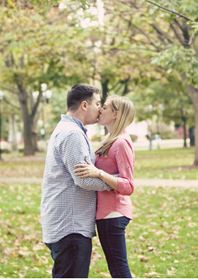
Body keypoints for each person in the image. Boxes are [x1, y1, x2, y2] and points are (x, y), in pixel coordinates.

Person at [40, 83, 113, 278]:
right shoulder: (72, 134)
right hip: (70, 227)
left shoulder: (67, 129)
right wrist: (116, 183)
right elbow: (84, 180)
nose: (100, 108)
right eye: (98, 103)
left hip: (66, 224)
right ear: (84, 105)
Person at [74, 95, 136, 278]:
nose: (100, 110)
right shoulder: (111, 139)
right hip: (106, 215)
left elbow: (128, 186)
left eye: (105, 107)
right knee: (117, 269)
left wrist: (99, 173)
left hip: (113, 214)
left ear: (116, 114)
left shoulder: (121, 143)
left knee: (119, 270)